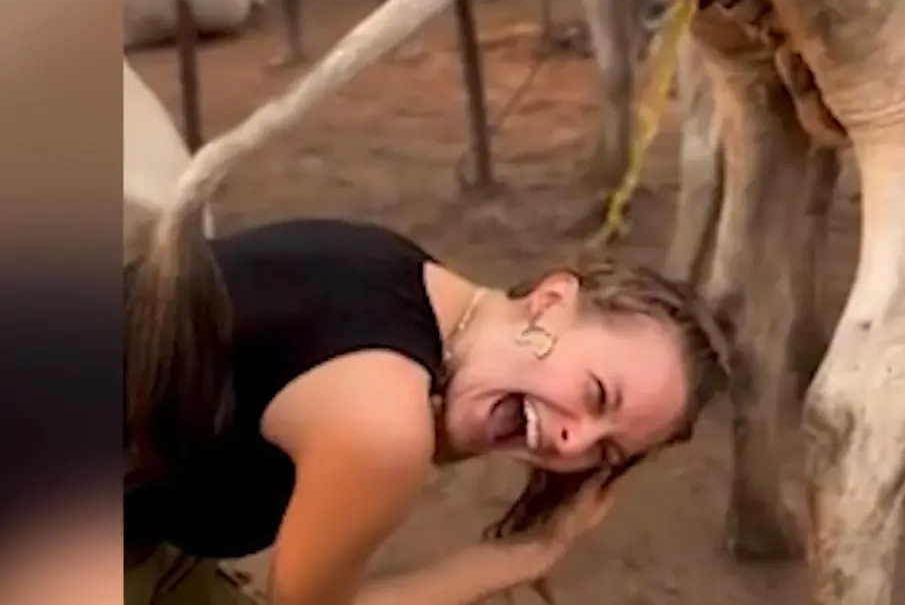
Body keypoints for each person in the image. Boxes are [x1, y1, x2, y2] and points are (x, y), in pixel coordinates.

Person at [124, 216, 730, 605]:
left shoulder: (395, 272)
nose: (572, 444)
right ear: (549, 302)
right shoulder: (386, 425)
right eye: (598, 395)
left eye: (605, 451)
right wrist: (509, 561)